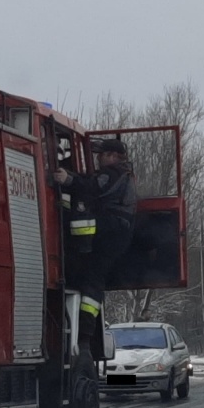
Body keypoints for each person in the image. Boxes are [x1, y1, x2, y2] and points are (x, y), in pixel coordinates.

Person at [55, 137, 138, 347]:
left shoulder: (113, 174)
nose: (99, 159)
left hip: (108, 233)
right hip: (114, 236)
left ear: (112, 156)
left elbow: (92, 186)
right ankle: (84, 334)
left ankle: (84, 333)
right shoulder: (123, 174)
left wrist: (68, 181)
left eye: (101, 155)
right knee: (93, 279)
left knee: (92, 279)